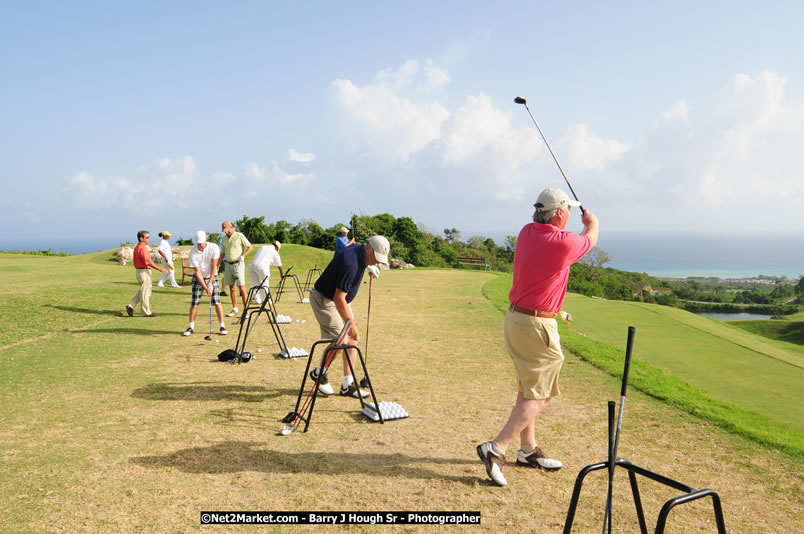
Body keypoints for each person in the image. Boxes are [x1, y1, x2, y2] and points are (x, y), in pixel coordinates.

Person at [476, 188, 599, 487]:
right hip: (536, 326)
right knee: (542, 395)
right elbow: (591, 238)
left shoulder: (527, 231)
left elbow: (567, 237)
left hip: (515, 320)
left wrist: (581, 224)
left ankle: (528, 450)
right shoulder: (562, 242)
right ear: (559, 213)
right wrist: (591, 223)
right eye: (567, 209)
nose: (569, 213)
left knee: (528, 390)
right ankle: (497, 448)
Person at [309, 235, 389, 397]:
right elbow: (338, 298)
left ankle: (348, 384)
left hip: (341, 299)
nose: (378, 262)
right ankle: (319, 373)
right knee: (341, 340)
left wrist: (368, 266)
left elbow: (351, 251)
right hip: (325, 299)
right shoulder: (350, 263)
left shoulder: (360, 250)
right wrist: (351, 325)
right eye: (376, 258)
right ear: (368, 248)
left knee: (352, 340)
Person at [182, 231, 228, 337]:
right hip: (198, 278)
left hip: (213, 276)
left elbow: (214, 266)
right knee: (195, 302)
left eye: (202, 242)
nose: (201, 245)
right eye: (199, 243)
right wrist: (205, 287)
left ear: (206, 239)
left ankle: (222, 326)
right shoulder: (193, 252)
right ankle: (191, 326)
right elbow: (197, 272)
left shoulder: (214, 247)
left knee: (216, 301)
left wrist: (210, 283)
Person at [125, 230, 168, 318]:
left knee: (142, 290)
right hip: (144, 271)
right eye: (147, 237)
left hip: (140, 271)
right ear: (141, 238)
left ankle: (130, 306)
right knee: (145, 293)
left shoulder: (138, 247)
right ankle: (146, 312)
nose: (149, 239)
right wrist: (160, 269)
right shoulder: (142, 248)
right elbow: (148, 261)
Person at [219, 221, 253, 317]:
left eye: (227, 230)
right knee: (232, 287)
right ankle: (235, 309)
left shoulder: (239, 235)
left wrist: (243, 255)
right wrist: (217, 264)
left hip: (238, 264)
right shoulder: (224, 239)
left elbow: (250, 247)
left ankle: (246, 310)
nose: (226, 232)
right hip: (228, 264)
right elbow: (222, 253)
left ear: (232, 228)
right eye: (225, 231)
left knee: (241, 287)